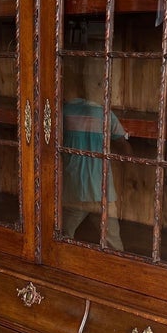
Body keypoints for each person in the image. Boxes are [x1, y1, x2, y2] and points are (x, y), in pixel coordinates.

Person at [61, 57, 129, 250]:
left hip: (74, 188)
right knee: (113, 240)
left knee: (64, 234)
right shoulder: (105, 114)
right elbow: (123, 144)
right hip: (102, 189)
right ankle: (120, 266)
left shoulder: (63, 113)